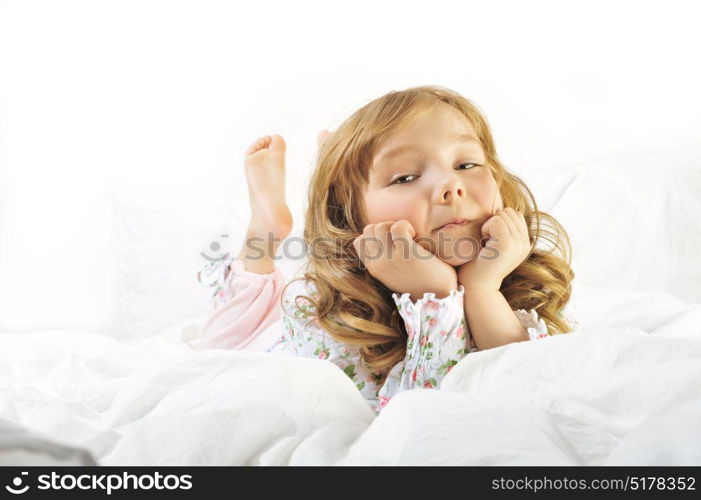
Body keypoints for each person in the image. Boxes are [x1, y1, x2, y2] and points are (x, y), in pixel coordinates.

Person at [192, 85, 576, 415]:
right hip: (267, 338)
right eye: (405, 176)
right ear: (351, 217)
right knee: (231, 329)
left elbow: (526, 382)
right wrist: (435, 296)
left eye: (466, 163)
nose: (451, 185)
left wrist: (482, 289)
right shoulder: (319, 315)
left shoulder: (512, 270)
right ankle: (266, 225)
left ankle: (337, 155)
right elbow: (413, 418)